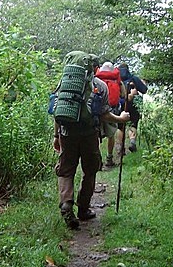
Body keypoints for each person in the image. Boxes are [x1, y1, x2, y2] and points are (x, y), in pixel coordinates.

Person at [53, 54, 131, 229]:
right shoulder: (99, 86)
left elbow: (57, 113)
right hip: (89, 134)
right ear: (92, 67)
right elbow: (104, 114)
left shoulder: (64, 85)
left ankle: (66, 203)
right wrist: (121, 118)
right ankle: (83, 208)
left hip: (66, 133)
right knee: (90, 170)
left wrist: (56, 136)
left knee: (66, 170)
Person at [95, 61, 125, 167]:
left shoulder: (97, 77)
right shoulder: (116, 78)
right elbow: (123, 94)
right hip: (112, 109)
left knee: (96, 135)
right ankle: (109, 158)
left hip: (97, 110)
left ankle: (97, 160)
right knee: (111, 135)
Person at [117, 62, 147, 153]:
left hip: (120, 104)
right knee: (133, 123)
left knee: (120, 127)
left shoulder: (117, 80)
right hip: (133, 105)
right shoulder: (133, 78)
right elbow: (144, 90)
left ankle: (120, 147)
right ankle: (132, 142)